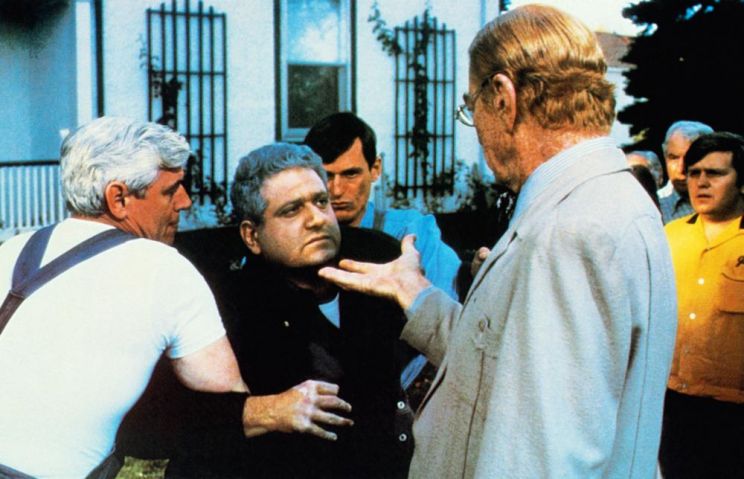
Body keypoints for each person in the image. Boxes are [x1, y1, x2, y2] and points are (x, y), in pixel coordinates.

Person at [320, 5, 677, 478]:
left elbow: (545, 458)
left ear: (504, 98)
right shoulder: (607, 201)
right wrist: (417, 294)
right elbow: (509, 369)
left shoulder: (569, 230)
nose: (477, 131)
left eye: (472, 108)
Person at [0, 117, 351, 479]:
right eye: (170, 191)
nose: (184, 202)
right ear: (118, 199)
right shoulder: (163, 267)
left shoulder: (13, 250)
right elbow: (231, 402)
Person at [124, 143, 414, 478]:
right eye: (292, 210)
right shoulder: (220, 305)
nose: (316, 219)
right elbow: (144, 426)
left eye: (321, 202)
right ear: (252, 236)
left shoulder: (378, 265)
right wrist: (266, 411)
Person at [304, 111, 462, 387]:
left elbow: (446, 325)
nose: (336, 190)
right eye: (325, 176)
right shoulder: (293, 242)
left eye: (350, 174)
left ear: (375, 168)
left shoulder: (412, 233)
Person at [658, 132, 744, 478]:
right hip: (673, 407)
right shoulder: (668, 237)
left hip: (734, 414)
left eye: (715, 173)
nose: (701, 182)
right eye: (694, 173)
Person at [658, 120, 713, 223]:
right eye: (674, 158)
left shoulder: (733, 202)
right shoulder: (654, 207)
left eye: (690, 159)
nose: (681, 169)